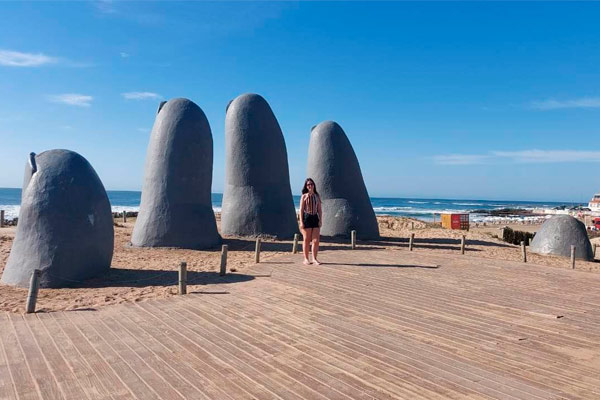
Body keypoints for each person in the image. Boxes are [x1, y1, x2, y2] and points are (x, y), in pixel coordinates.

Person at [299, 178, 322, 265]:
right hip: (307, 217)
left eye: (311, 184)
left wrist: (320, 220)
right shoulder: (304, 196)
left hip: (315, 217)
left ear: (314, 185)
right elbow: (301, 209)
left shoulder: (317, 196)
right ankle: (306, 258)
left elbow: (319, 209)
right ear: (306, 186)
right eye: (308, 184)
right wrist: (301, 221)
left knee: (316, 240)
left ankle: (314, 258)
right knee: (306, 239)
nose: (310, 186)